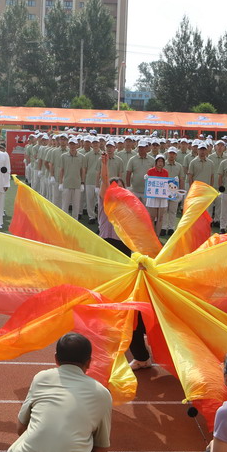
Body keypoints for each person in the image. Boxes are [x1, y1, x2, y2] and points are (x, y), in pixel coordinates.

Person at [98, 153, 152, 369]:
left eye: (120, 188)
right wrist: (104, 166)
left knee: (127, 299)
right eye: (113, 188)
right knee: (109, 294)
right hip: (107, 250)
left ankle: (138, 339)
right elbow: (104, 183)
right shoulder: (105, 204)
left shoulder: (129, 209)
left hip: (125, 254)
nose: (115, 191)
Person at [144, 154, 170, 236]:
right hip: (153, 197)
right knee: (152, 217)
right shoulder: (150, 171)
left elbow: (166, 184)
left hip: (162, 197)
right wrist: (146, 179)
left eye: (162, 161)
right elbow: (149, 184)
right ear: (156, 162)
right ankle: (152, 235)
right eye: (159, 161)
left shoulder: (166, 172)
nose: (160, 163)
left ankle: (157, 235)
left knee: (160, 217)